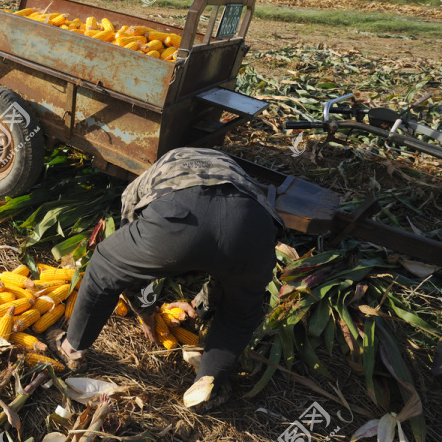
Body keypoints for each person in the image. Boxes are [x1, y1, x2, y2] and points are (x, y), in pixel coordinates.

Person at [48, 147, 284, 413]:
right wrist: (202, 306)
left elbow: (127, 268)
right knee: (240, 311)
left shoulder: (148, 179)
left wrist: (145, 310)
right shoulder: (235, 172)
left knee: (106, 264)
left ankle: (73, 349)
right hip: (253, 226)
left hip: (181, 215)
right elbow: (224, 256)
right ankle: (209, 387)